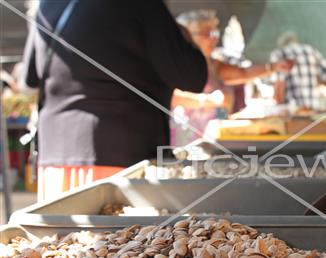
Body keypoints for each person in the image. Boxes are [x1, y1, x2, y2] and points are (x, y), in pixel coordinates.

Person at [20, 0, 207, 201]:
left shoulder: (48, 5)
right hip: (123, 156)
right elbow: (191, 76)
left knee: (62, 230)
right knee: (119, 232)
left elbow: (29, 80)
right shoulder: (144, 5)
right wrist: (190, 39)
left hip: (56, 158)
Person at [171, 10, 293, 146]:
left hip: (213, 138)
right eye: (206, 33)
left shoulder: (213, 63)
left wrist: (274, 67)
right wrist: (209, 100)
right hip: (189, 138)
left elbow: (243, 73)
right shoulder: (178, 62)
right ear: (186, 35)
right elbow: (172, 96)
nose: (214, 38)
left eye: (215, 32)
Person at [270, 32, 326, 111]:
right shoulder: (310, 50)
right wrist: (315, 81)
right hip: (313, 106)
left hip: (291, 109)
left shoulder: (279, 53)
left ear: (282, 44)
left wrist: (279, 108)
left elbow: (279, 84)